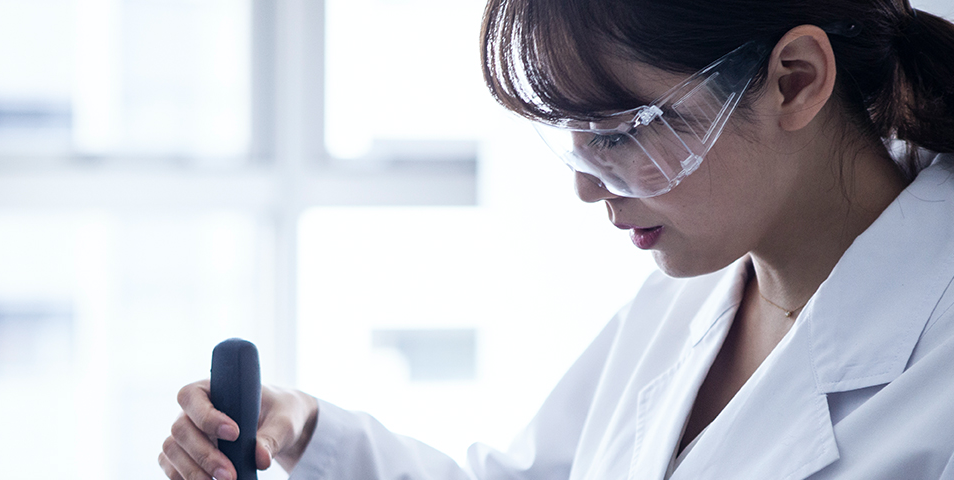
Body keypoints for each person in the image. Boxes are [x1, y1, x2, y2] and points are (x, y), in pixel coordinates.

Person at [160, 0, 954, 478]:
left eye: (621, 132)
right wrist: (303, 430)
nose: (586, 185)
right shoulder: (688, 296)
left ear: (796, 81)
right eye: (574, 139)